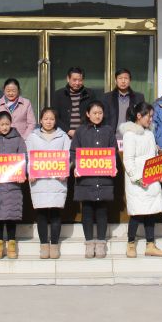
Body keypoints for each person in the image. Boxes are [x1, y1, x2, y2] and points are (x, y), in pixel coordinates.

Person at [70, 101, 118, 259]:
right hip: (86, 179)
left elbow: (114, 151)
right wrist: (75, 166)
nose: (97, 116)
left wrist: (114, 166)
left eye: (100, 113)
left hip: (103, 178)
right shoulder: (80, 131)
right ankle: (89, 244)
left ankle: (101, 243)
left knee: (102, 211)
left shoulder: (108, 130)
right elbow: (73, 152)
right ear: (87, 114)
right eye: (94, 113)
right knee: (87, 211)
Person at [120, 102, 162, 258]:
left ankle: (150, 245)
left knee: (151, 212)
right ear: (139, 116)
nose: (151, 119)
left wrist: (160, 174)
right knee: (137, 212)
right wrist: (137, 178)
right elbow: (128, 160)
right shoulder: (129, 135)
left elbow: (154, 157)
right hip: (138, 180)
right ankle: (130, 244)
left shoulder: (149, 134)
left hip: (151, 177)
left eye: (152, 116)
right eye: (149, 116)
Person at [26, 108, 71, 259]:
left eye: (51, 119)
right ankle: (44, 245)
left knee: (56, 214)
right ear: (40, 120)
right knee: (42, 214)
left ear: (55, 120)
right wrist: (30, 172)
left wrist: (65, 171)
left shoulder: (63, 136)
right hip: (39, 182)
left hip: (57, 182)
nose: (48, 121)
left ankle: (55, 245)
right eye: (45, 118)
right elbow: (28, 157)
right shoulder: (32, 137)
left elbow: (68, 157)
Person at [0, 111, 27, 260]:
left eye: (7, 124)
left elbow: (24, 159)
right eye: (2, 124)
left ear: (11, 124)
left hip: (12, 186)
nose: (5, 127)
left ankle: (12, 246)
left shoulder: (18, 140)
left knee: (11, 216)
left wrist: (22, 174)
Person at [51, 67, 92, 139]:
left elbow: (93, 115)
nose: (77, 83)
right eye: (74, 80)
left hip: (85, 134)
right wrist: (68, 131)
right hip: (63, 135)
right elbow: (55, 117)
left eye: (80, 80)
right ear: (68, 79)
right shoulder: (59, 95)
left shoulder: (89, 94)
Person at [102, 68, 144, 137]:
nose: (123, 81)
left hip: (133, 136)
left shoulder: (139, 97)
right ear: (116, 80)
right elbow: (104, 118)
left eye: (126, 78)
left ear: (130, 80)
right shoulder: (107, 97)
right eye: (120, 78)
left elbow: (142, 117)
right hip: (112, 137)